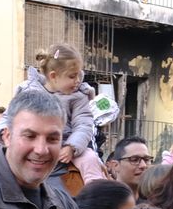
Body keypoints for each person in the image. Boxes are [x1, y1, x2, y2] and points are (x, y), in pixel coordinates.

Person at [14, 43, 106, 191]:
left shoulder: (78, 96)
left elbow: (84, 124)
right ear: (53, 76)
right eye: (72, 76)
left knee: (90, 158)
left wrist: (72, 146)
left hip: (70, 146)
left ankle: (96, 193)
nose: (77, 80)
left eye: (78, 74)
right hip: (37, 145)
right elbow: (10, 117)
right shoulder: (29, 91)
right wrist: (2, 132)